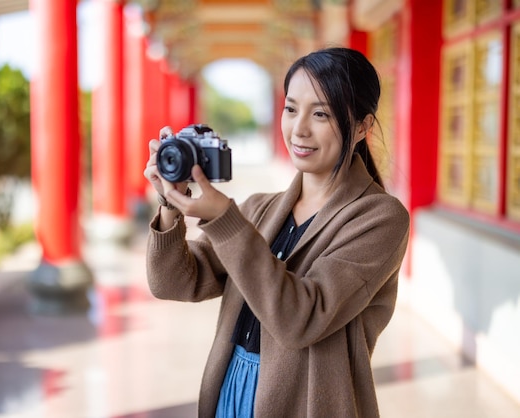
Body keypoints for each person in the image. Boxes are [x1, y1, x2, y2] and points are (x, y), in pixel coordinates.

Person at [143, 47, 410, 417]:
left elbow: (301, 318)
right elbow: (173, 282)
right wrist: (170, 202)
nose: (299, 129)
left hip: (308, 402)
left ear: (363, 127)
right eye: (290, 108)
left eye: (321, 114)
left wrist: (224, 219)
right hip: (229, 389)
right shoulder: (259, 209)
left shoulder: (380, 218)